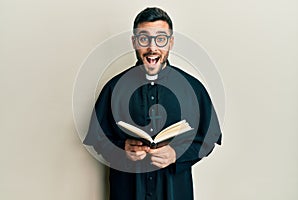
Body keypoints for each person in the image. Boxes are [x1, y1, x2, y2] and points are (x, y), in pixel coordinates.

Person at [83, 7, 222, 200]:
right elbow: (98, 139)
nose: (152, 48)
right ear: (134, 42)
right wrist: (122, 149)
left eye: (161, 39)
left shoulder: (193, 88)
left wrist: (176, 155)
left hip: (174, 191)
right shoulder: (114, 88)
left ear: (170, 42)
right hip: (127, 191)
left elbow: (208, 138)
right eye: (144, 38)